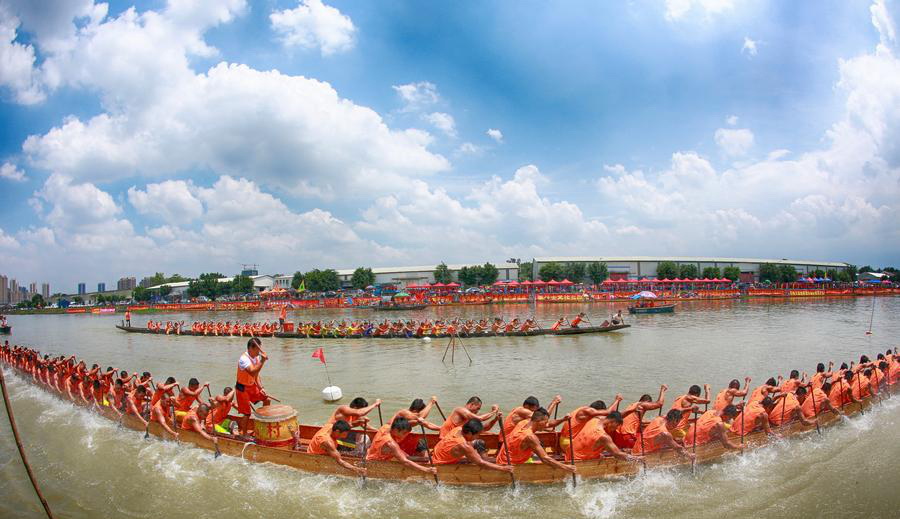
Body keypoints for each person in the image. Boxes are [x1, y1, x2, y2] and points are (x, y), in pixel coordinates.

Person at [495, 408, 576, 474]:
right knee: (546, 460)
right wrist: (567, 467)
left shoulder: (524, 422)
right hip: (508, 465)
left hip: (501, 458)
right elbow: (545, 459)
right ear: (538, 421)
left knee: (538, 446)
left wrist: (563, 419)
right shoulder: (530, 437)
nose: (546, 425)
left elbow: (550, 424)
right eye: (545, 422)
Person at [432, 419, 514, 475]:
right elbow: (481, 463)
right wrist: (503, 469)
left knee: (479, 443)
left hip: (439, 453)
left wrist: (495, 419)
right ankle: (489, 467)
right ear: (470, 433)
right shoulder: (464, 445)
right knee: (481, 460)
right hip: (440, 463)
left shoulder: (459, 428)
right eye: (477, 434)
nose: (478, 436)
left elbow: (485, 428)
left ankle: (487, 461)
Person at [365, 418, 437, 476]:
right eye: (404, 433)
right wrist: (426, 470)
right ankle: (427, 459)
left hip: (374, 452)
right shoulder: (391, 444)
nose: (406, 435)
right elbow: (405, 462)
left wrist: (417, 421)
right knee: (409, 458)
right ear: (396, 430)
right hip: (375, 461)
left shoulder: (386, 426)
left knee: (410, 456)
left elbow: (405, 423)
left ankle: (426, 459)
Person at [570, 411, 640, 462]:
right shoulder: (604, 436)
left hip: (570, 455)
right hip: (578, 461)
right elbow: (617, 454)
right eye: (616, 426)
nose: (615, 429)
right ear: (613, 422)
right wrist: (637, 459)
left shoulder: (595, 419)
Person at [236, 338, 271, 435]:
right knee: (247, 413)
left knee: (266, 399)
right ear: (251, 348)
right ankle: (244, 434)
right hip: (242, 388)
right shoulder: (244, 359)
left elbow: (257, 375)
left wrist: (261, 388)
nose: (259, 352)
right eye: (258, 350)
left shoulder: (255, 357)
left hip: (252, 386)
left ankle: (262, 423)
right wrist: (262, 361)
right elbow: (252, 372)